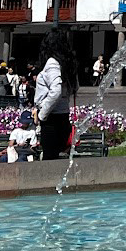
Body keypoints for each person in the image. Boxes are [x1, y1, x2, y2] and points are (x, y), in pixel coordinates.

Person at [34, 27, 78, 160]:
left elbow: (56, 90)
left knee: (49, 159)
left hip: (52, 118)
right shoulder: (66, 63)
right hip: (63, 115)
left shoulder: (52, 63)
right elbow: (75, 86)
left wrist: (42, 114)